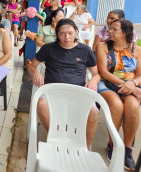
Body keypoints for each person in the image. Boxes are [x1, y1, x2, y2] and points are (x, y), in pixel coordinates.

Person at [27, 19, 100, 150]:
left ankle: (86, 147)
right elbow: (31, 67)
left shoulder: (85, 50)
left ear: (76, 32)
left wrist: (93, 81)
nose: (67, 37)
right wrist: (36, 73)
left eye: (71, 33)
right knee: (41, 103)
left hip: (78, 91)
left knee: (93, 111)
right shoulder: (48, 48)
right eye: (62, 34)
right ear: (57, 34)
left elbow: (96, 74)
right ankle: (55, 137)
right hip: (52, 90)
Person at [96, 19, 140, 171]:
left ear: (126, 33)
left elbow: (140, 75)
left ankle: (127, 149)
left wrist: (133, 84)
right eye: (110, 28)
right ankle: (112, 143)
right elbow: (103, 72)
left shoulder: (137, 50)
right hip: (107, 83)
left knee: (133, 106)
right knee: (116, 105)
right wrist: (127, 85)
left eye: (114, 29)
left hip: (129, 86)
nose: (110, 31)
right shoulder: (103, 47)